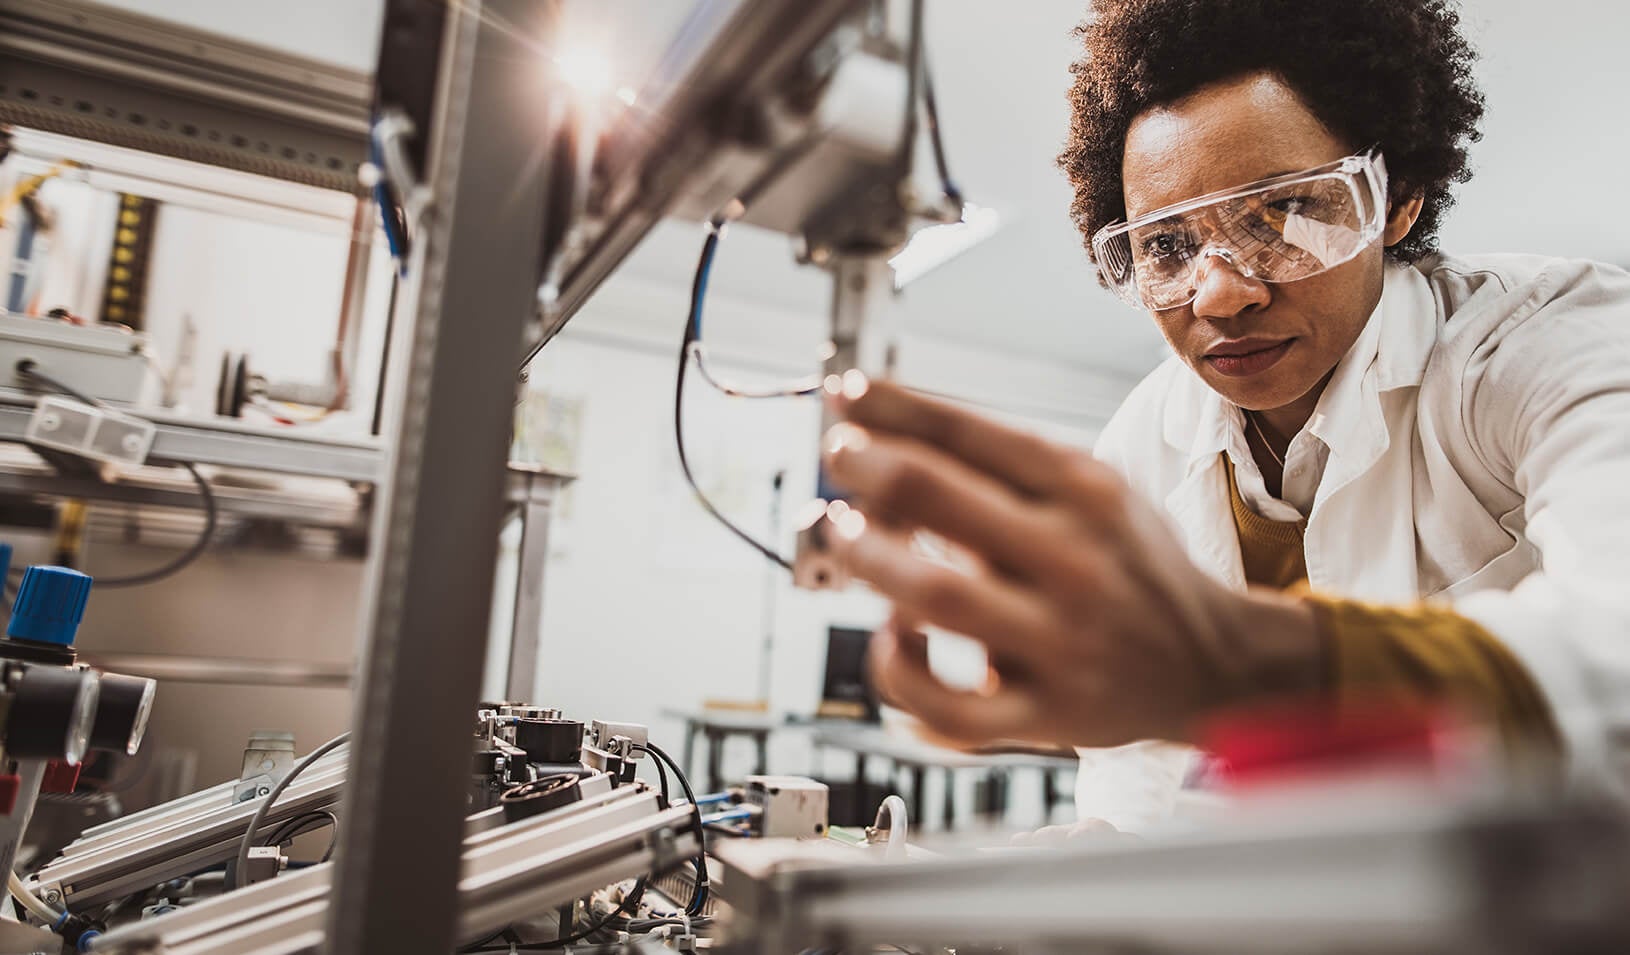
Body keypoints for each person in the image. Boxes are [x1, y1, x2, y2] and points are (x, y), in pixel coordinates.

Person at [818, 0, 1630, 829]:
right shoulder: (1145, 439)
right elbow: (1135, 770)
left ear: (1398, 199)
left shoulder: (1547, 345)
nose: (1221, 292)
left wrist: (1245, 661)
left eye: (1279, 214)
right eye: (1168, 247)